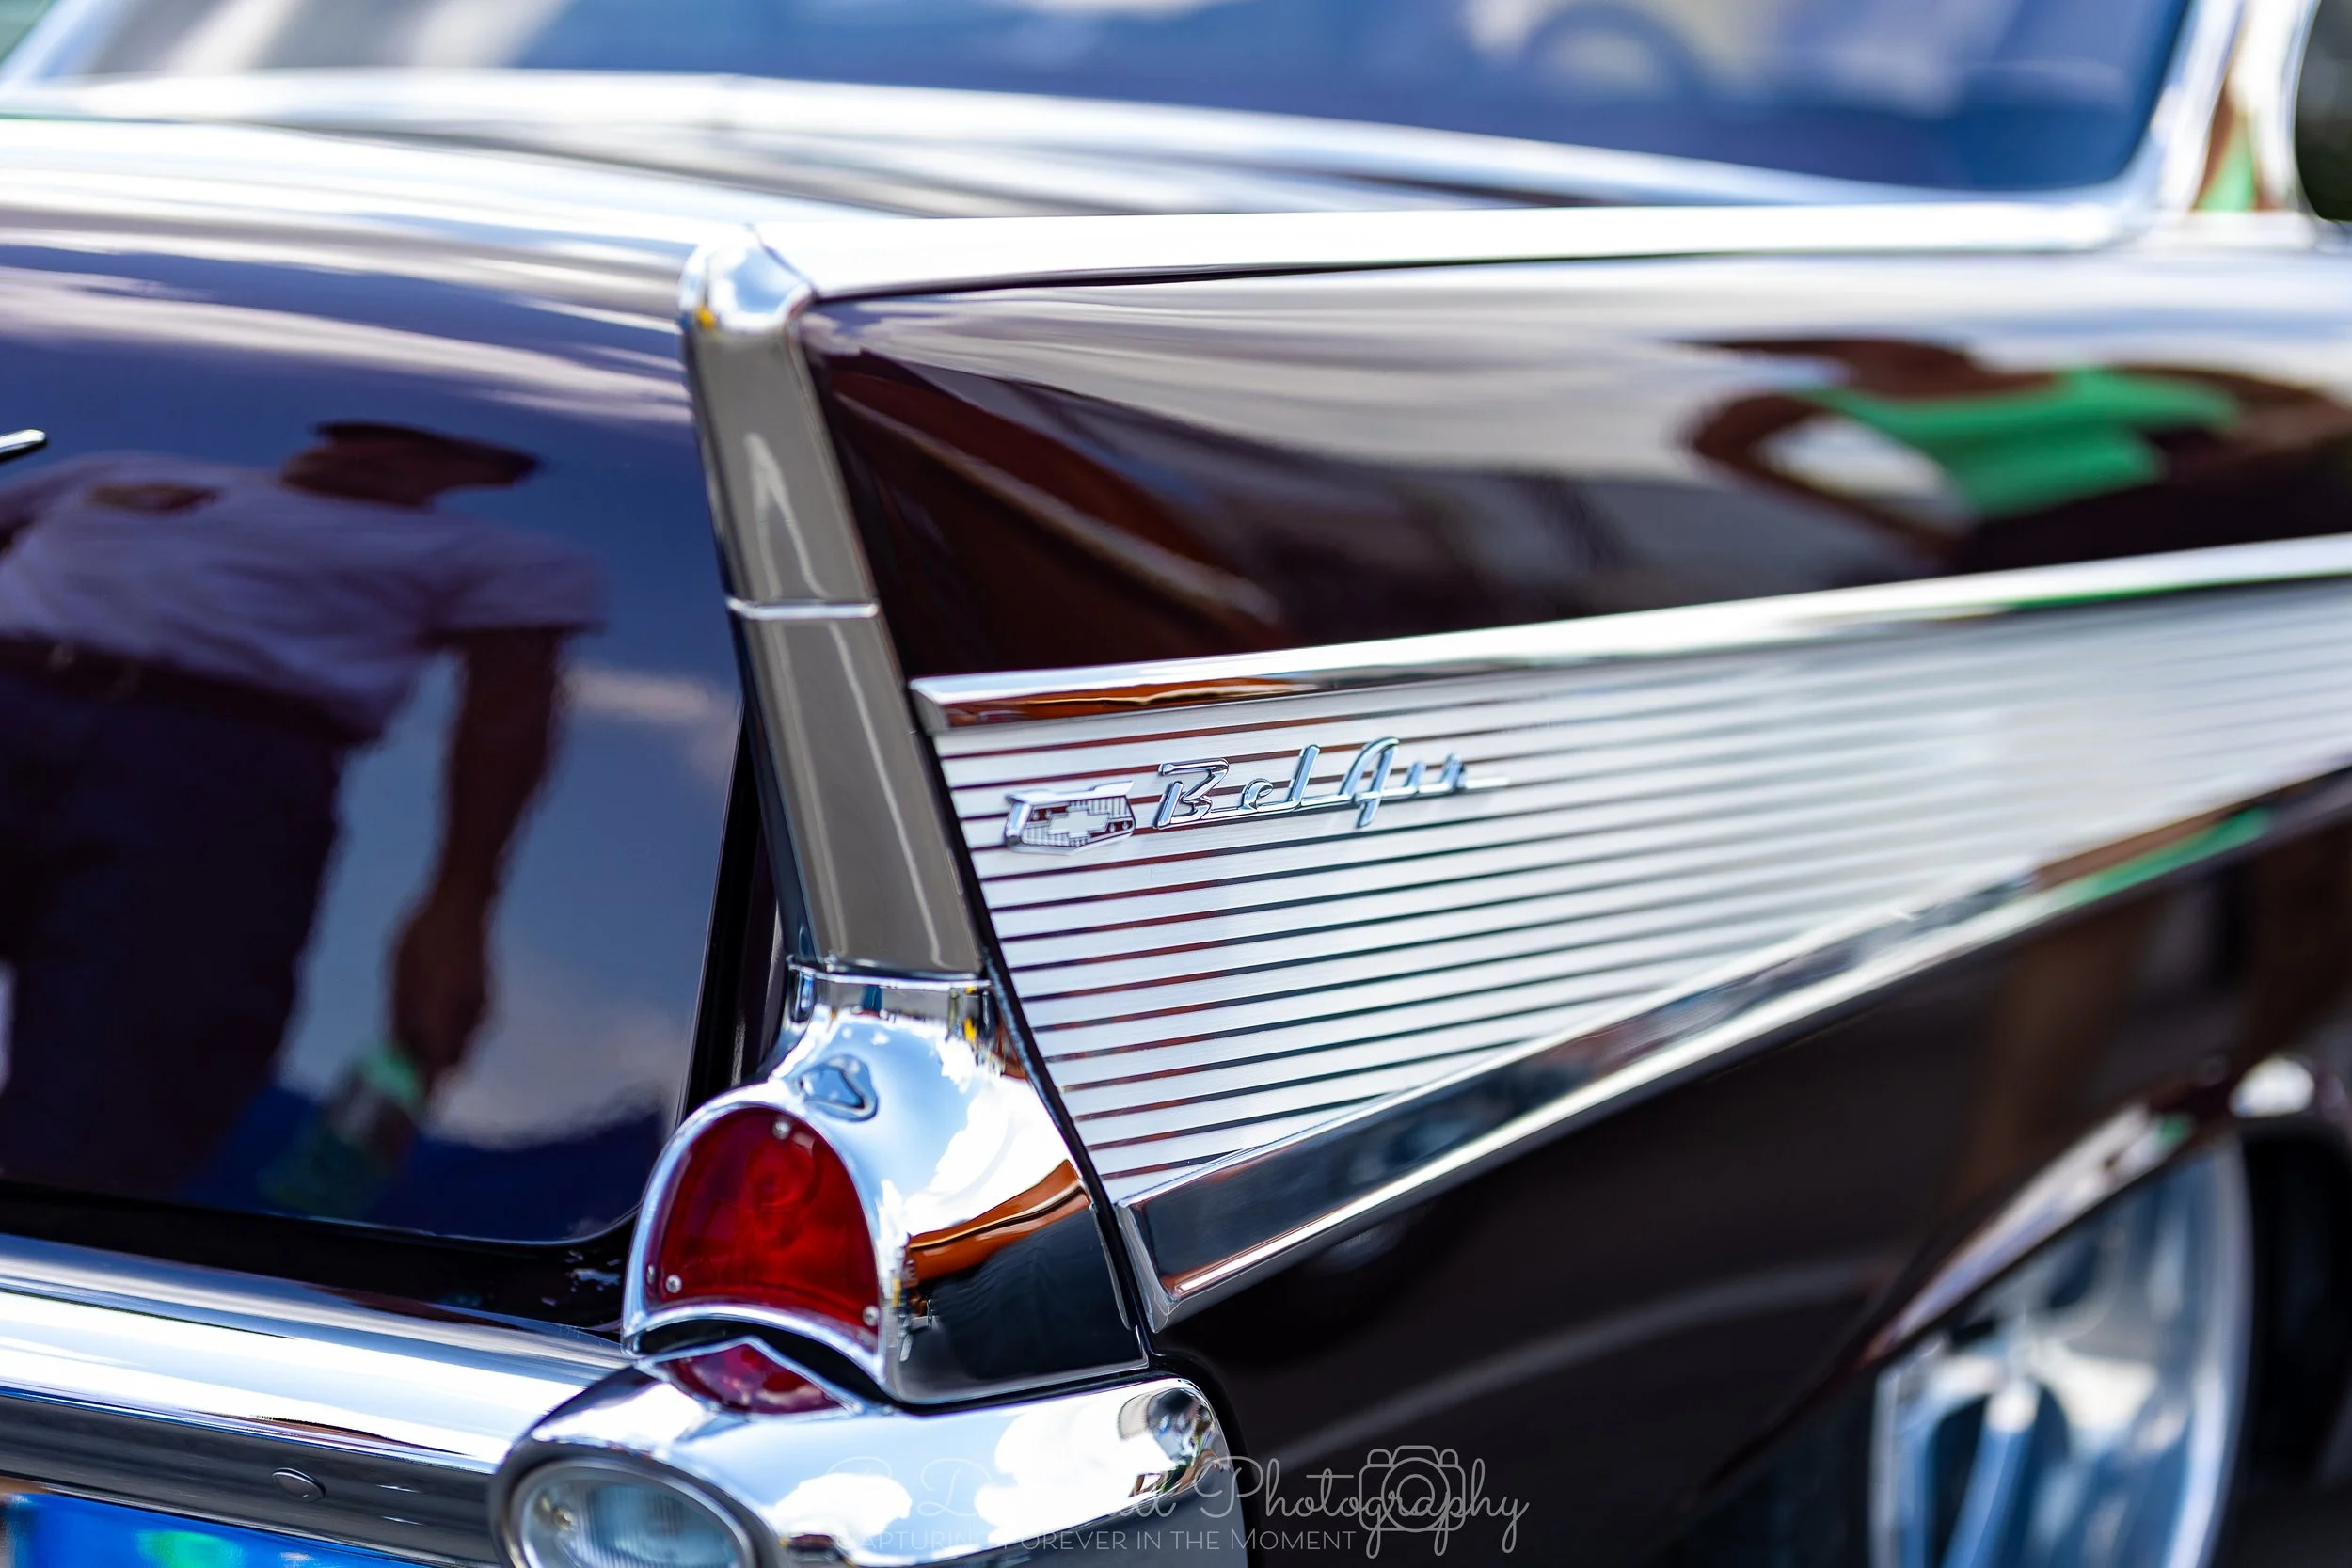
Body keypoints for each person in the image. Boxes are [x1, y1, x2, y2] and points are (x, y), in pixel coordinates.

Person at [0, 422, 601, 1196]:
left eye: (421, 448)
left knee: (111, 1097)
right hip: (14, 685)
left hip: (214, 780)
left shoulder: (488, 557)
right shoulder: (118, 468)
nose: (374, 452)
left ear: (479, 473)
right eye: (363, 432)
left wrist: (459, 903)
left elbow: (509, 709)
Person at [1690, 337, 2352, 572]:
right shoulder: (1835, 390)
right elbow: (1716, 444)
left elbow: (2319, 400)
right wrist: (1897, 525)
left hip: (2257, 513)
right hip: (2051, 542)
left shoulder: (2100, 358)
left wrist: (2285, 433)